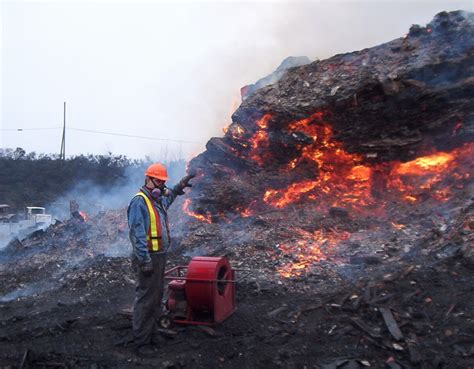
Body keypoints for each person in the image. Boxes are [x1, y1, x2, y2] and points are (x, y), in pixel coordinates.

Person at [127, 163, 194, 356]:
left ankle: (152, 334)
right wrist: (144, 260)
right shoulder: (139, 202)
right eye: (158, 181)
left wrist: (180, 185)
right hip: (148, 258)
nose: (161, 186)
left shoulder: (156, 201)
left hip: (159, 256)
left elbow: (170, 198)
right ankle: (141, 343)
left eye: (163, 182)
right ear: (148, 179)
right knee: (146, 300)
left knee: (156, 299)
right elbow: (137, 234)